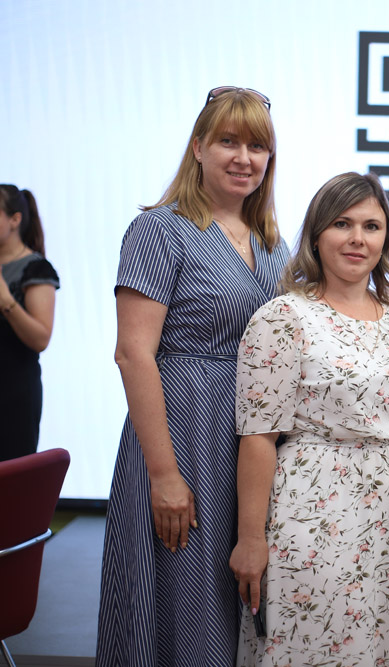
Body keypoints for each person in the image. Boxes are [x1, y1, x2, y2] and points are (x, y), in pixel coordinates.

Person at [96, 87, 289, 667]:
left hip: (251, 444)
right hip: (186, 438)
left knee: (241, 603)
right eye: (228, 141)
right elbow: (133, 354)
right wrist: (163, 475)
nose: (244, 158)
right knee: (185, 604)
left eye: (257, 146)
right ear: (199, 147)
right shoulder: (160, 230)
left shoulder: (273, 244)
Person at [228, 171, 389, 666]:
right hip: (314, 514)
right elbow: (258, 437)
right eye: (342, 224)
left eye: (371, 226)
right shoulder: (283, 317)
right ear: (316, 236)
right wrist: (250, 540)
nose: (358, 239)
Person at [0, 185, 59, 462]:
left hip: (12, 397)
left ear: (15, 220)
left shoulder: (36, 268)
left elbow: (41, 339)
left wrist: (6, 300)